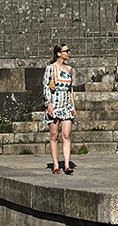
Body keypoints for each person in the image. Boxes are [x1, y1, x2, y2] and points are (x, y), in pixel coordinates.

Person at [43, 43, 76, 174]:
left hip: (66, 104)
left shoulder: (69, 69)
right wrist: (48, 104)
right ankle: (56, 165)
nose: (69, 53)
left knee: (67, 135)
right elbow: (46, 86)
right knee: (54, 135)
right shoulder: (50, 68)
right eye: (66, 51)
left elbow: (71, 89)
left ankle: (67, 164)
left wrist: (73, 105)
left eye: (69, 50)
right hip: (54, 104)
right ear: (58, 53)